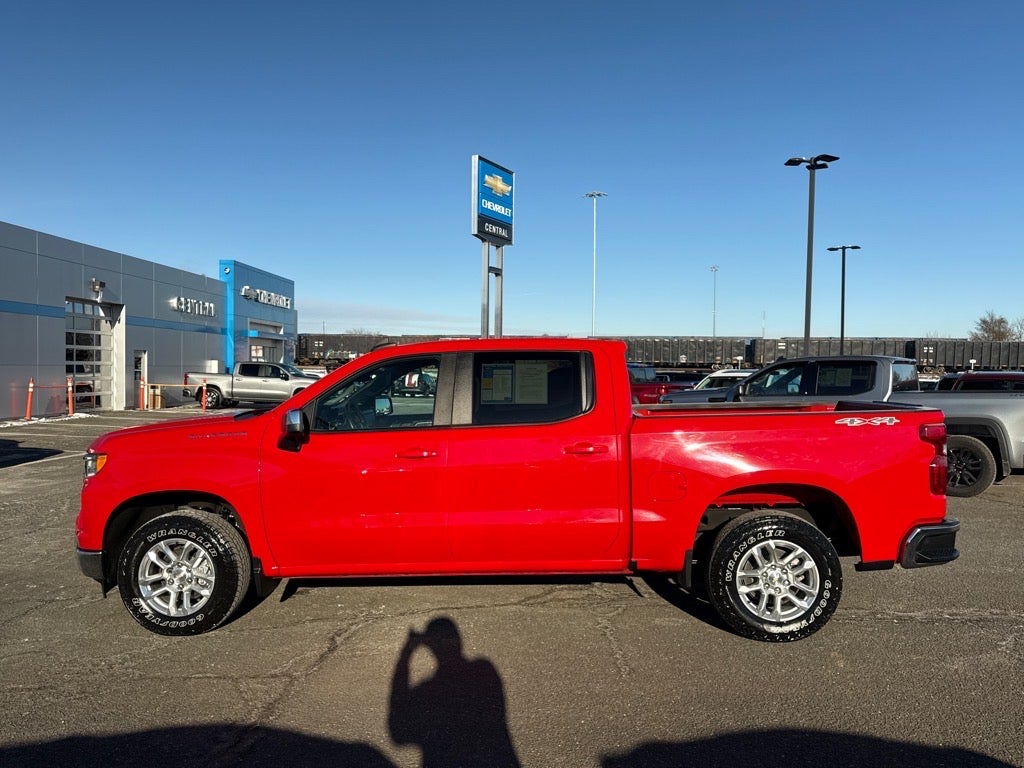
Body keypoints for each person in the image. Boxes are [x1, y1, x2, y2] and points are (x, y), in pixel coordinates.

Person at [388, 616, 520, 768]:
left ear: (431, 648)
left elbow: (398, 732)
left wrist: (406, 654)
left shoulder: (427, 693)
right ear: (459, 641)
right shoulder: (484, 671)